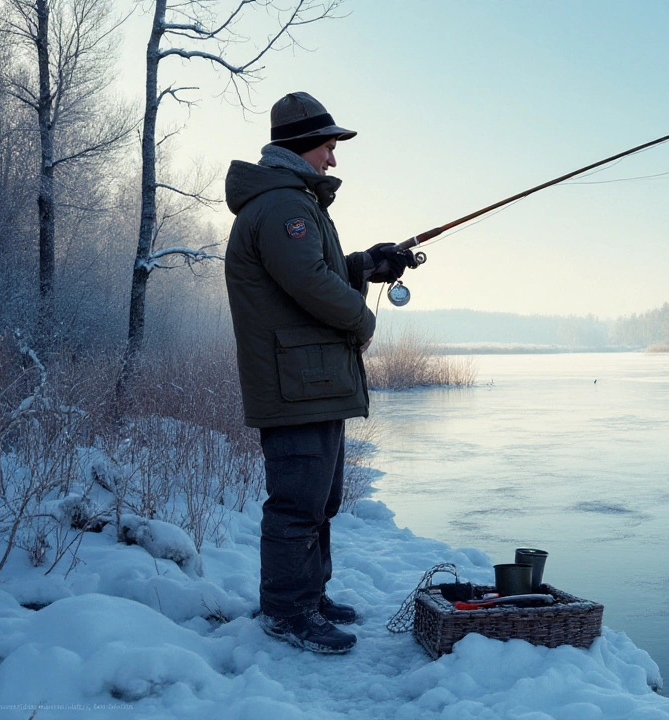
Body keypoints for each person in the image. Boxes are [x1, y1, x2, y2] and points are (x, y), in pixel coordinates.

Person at [224, 92, 414, 654]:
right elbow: (308, 283)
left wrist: (366, 263)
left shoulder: (295, 203)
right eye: (329, 147)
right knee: (297, 503)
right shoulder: (284, 206)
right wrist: (363, 320)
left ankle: (307, 596)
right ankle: (286, 612)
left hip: (312, 380)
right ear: (304, 147)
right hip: (296, 383)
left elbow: (316, 271)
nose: (333, 159)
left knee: (319, 501)